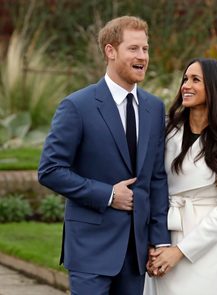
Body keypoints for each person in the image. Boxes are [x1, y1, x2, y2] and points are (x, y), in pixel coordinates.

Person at [38, 16, 170, 295]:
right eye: (133, 49)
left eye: (145, 49)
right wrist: (108, 194)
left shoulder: (154, 108)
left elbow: (156, 178)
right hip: (90, 251)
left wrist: (159, 240)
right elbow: (50, 170)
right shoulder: (77, 106)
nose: (143, 56)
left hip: (136, 253)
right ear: (110, 51)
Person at [145, 58, 217, 295]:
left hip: (206, 246)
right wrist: (153, 241)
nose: (186, 85)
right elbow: (151, 185)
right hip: (163, 235)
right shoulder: (166, 130)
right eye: (185, 79)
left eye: (195, 80)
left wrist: (180, 251)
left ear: (215, 88)